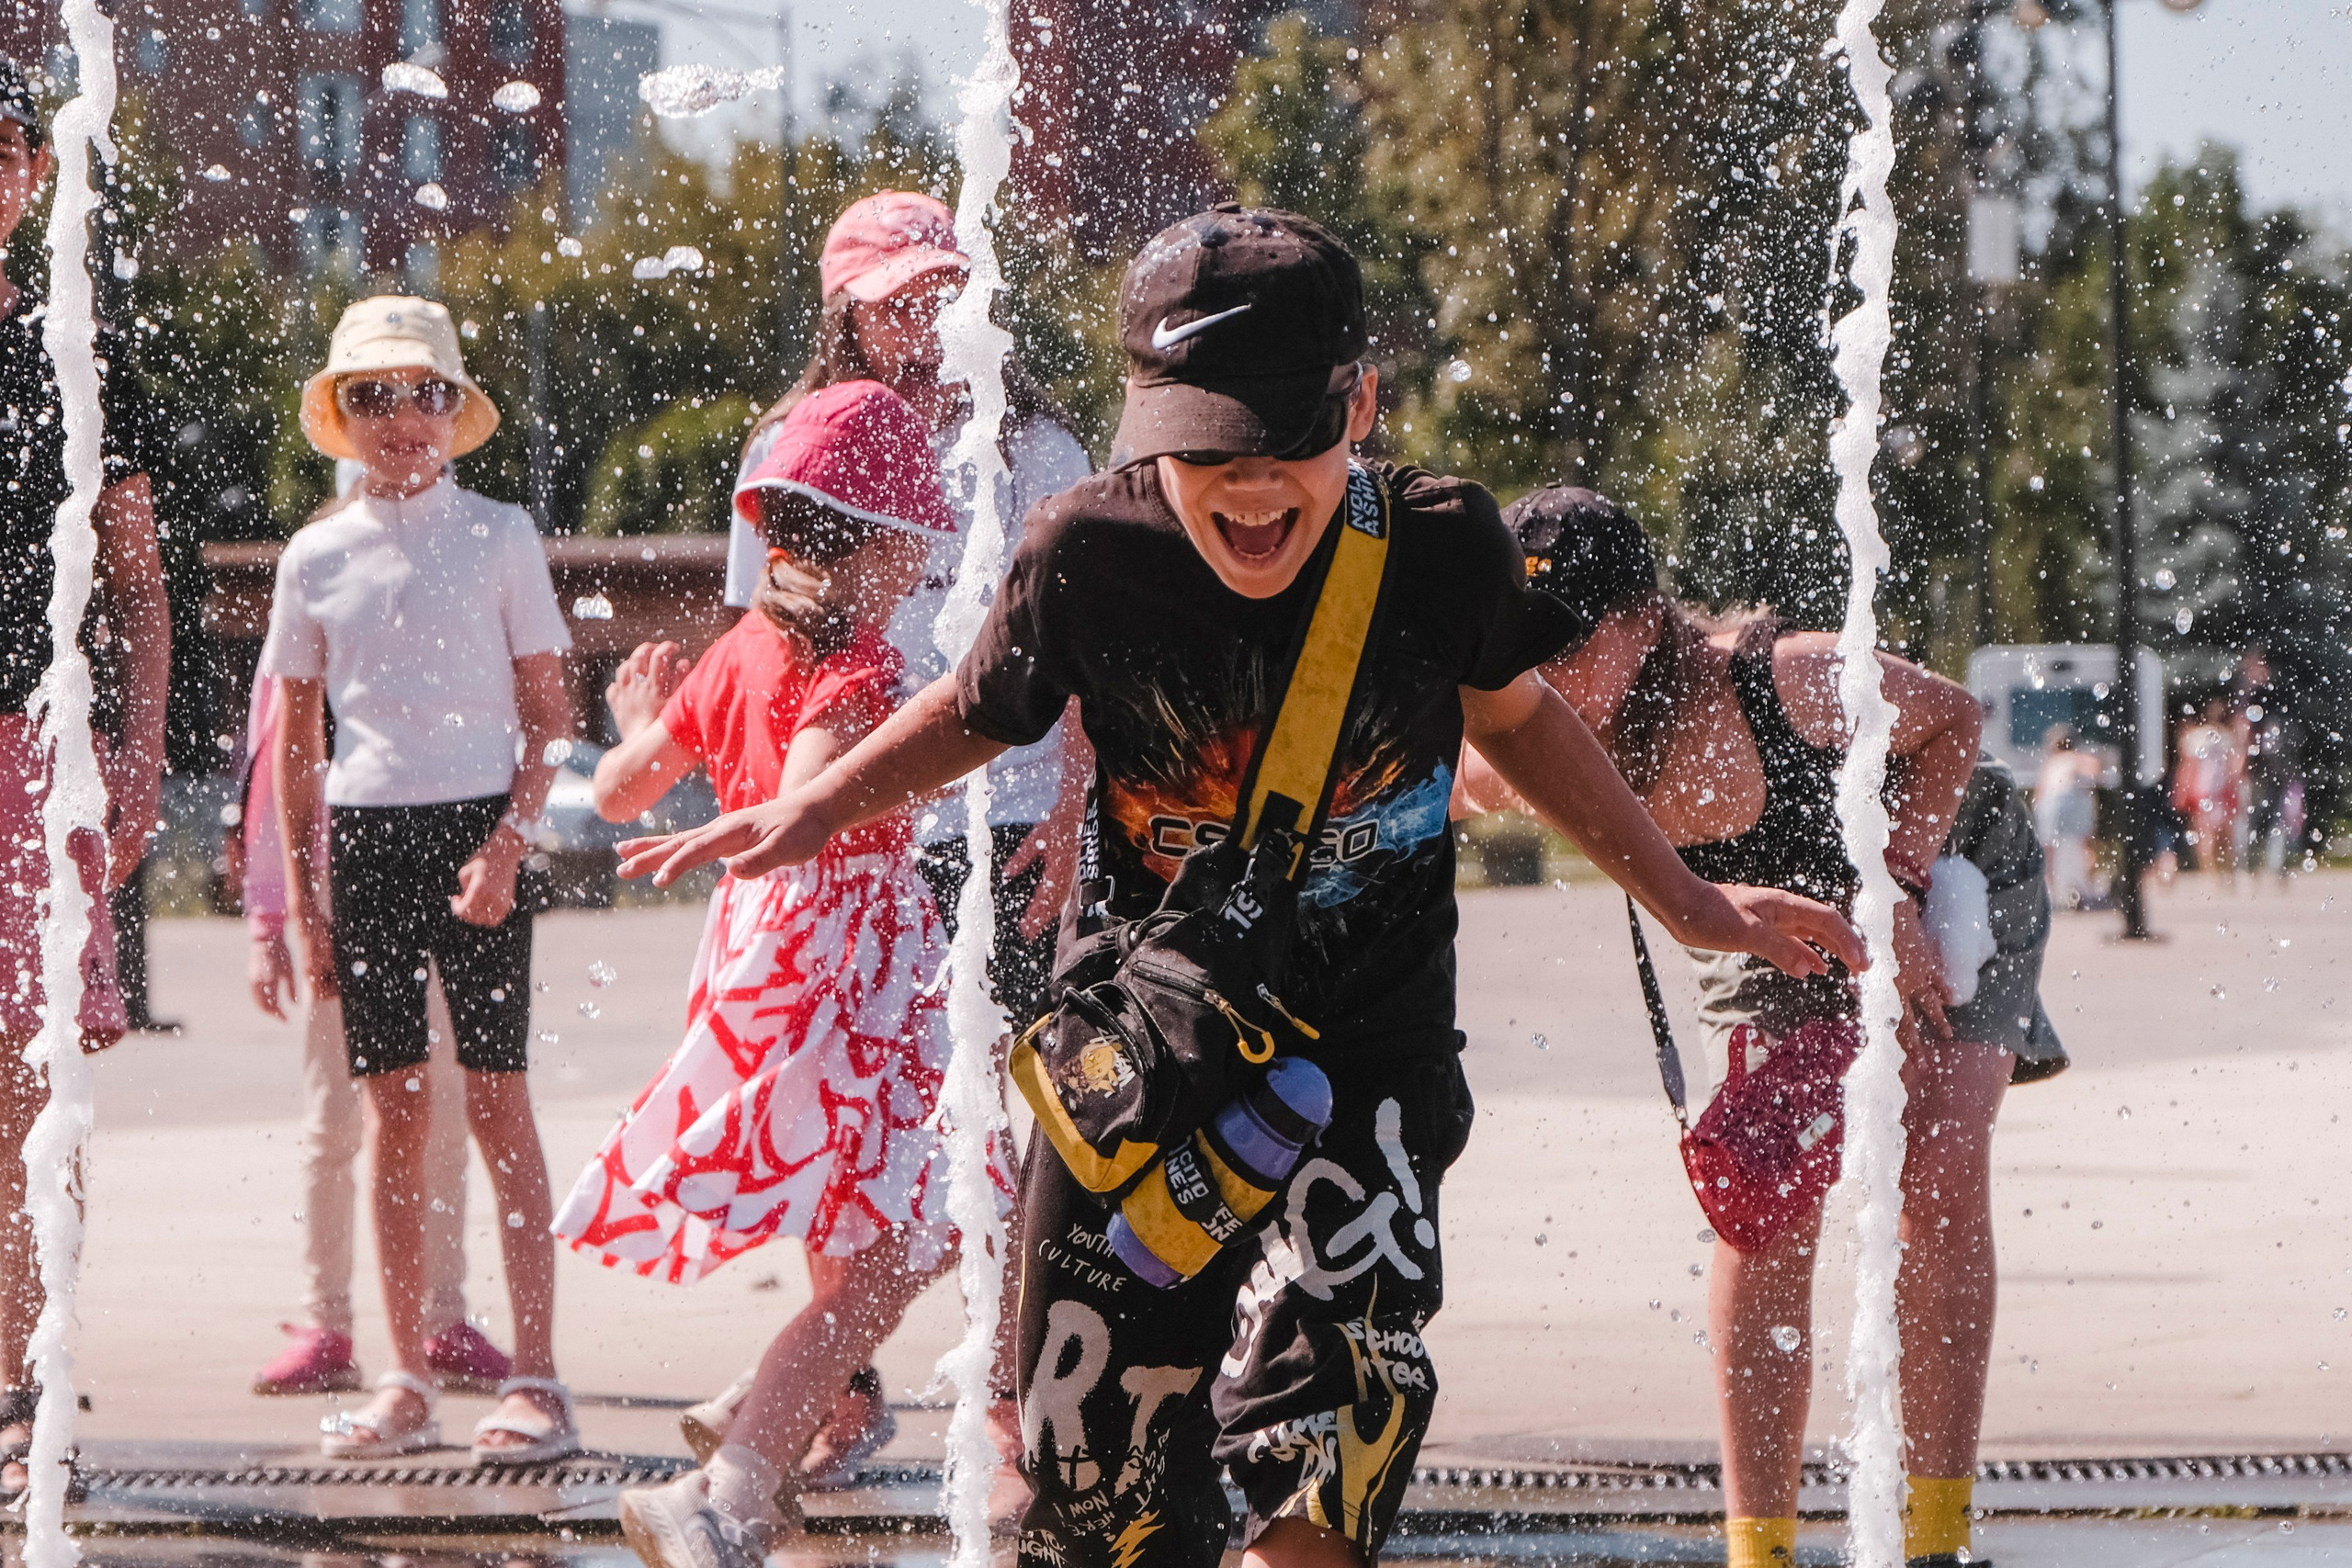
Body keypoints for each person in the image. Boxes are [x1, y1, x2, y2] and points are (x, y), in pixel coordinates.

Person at [616, 206, 1859, 1568]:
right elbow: (984, 708)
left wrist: (1690, 898)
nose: (1249, 486)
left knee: (1332, 1431)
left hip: (1368, 1054)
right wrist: (808, 806)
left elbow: (1516, 718)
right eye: (1205, 443)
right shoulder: (1087, 549)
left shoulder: (1440, 548)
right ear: (1147, 416)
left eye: (1286, 441)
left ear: (1360, 402)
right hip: (1155, 1051)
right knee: (1096, 1477)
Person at [1473, 486, 2064, 1568]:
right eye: (1521, 650)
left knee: (1930, 1164)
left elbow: (1953, 723)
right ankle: (1760, 1550)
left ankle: (1932, 1536)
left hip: (1949, 864)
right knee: (1759, 1202)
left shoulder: (1783, 680)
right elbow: (1426, 779)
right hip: (1761, 929)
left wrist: (1904, 894)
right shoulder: (1526, 734)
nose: (1539, 675)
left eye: (1566, 647)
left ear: (1641, 623)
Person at [566, 380, 1010, 1562]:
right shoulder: (855, 668)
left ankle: (766, 1408)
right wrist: (892, 746)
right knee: (925, 1229)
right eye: (912, 540)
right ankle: (732, 1485)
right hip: (850, 963)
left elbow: (620, 796)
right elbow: (793, 804)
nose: (923, 562)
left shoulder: (733, 651)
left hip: (767, 948)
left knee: (865, 1218)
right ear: (870, 543)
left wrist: (635, 720)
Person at [701, 186, 1092, 1482]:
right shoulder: (794, 440)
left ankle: (998, 1377)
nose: (926, 322)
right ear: (846, 312)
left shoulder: (1035, 441)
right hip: (864, 824)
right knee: (855, 1116)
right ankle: (843, 1387)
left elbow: (1095, 638)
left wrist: (1083, 801)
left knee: (1015, 1109)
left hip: (1015, 812)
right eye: (897, 300)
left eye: (944, 291)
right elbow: (766, 639)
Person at [261, 296, 579, 1463]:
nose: (404, 416)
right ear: (341, 415)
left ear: (458, 409)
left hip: (475, 836)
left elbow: (550, 719)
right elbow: (299, 750)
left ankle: (539, 1377)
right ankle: (402, 1376)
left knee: (496, 1104)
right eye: (374, 394)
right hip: (367, 840)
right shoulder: (316, 555)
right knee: (393, 1110)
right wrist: (306, 908)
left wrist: (510, 844)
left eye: (427, 392)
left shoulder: (498, 534)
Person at [0, 56, 172, 1499]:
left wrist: (146, 742)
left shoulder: (74, 350)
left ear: (32, 174)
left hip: (31, 748)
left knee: (26, 1070)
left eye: (3, 148)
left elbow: (140, 584)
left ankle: (26, 1370)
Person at [236, 665, 512, 1397]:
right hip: (338, 888)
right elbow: (274, 768)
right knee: (335, 1119)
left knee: (446, 1110)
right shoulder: (320, 586)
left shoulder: (453, 567)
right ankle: (325, 1319)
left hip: (443, 871)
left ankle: (440, 1313)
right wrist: (273, 919)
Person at [2231, 649, 2305, 883]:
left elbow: (2245, 726)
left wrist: (2241, 758)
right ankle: (2262, 866)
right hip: (2269, 763)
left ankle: (2257, 867)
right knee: (2266, 815)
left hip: (2264, 763)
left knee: (2258, 814)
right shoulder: (2269, 692)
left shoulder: (2257, 693)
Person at [2031, 724, 2102, 911]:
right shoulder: (2078, 758)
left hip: (2051, 802)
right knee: (2083, 846)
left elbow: (2041, 791)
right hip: (2077, 801)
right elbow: (2094, 772)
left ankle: (2052, 893)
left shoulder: (2052, 763)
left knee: (2049, 850)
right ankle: (2085, 889)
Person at [2172, 701, 2244, 878]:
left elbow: (2187, 767)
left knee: (2205, 835)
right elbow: (2233, 768)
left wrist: (2181, 792)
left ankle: (2210, 872)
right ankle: (2223, 870)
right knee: (2223, 835)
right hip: (2220, 791)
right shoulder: (2227, 738)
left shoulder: (2196, 737)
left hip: (2201, 790)